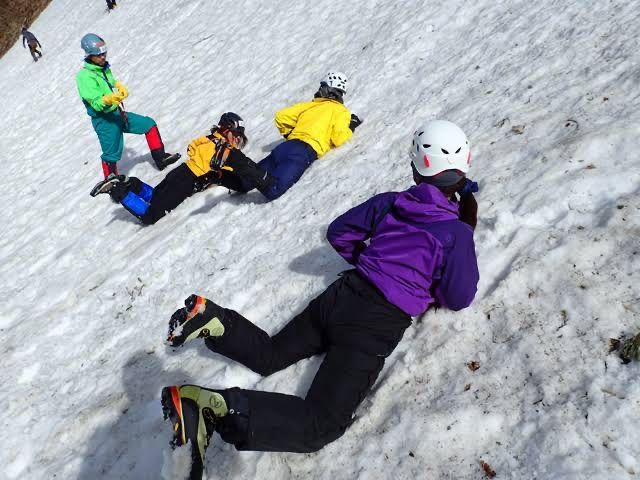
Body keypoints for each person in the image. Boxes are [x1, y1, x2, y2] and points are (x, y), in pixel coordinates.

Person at [160, 120, 480, 479]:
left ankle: (212, 318)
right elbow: (459, 296)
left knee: (271, 354)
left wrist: (367, 261)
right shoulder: (454, 233)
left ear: (415, 166)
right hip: (375, 326)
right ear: (465, 163)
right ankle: (213, 409)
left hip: (342, 296)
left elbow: (339, 232)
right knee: (321, 424)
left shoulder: (390, 203)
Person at [89, 113, 264, 225]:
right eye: (236, 136)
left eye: (240, 139)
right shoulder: (222, 149)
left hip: (181, 174)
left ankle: (130, 184)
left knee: (156, 196)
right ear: (226, 131)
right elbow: (235, 179)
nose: (237, 142)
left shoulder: (210, 140)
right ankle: (118, 191)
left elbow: (193, 149)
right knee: (151, 215)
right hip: (185, 182)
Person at [216, 71, 362, 201]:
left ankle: (217, 176)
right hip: (303, 152)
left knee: (245, 182)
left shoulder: (310, 105)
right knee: (273, 189)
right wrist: (351, 126)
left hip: (285, 147)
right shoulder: (341, 111)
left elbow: (281, 116)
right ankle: (237, 159)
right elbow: (338, 138)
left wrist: (290, 134)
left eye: (322, 86)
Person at [76, 33, 180, 180]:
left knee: (148, 124)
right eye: (98, 55)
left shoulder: (102, 67)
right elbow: (97, 104)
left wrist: (116, 85)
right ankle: (112, 184)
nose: (103, 57)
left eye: (104, 53)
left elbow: (109, 79)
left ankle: (160, 158)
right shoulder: (84, 77)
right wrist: (111, 98)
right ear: (89, 55)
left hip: (117, 114)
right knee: (111, 154)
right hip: (104, 121)